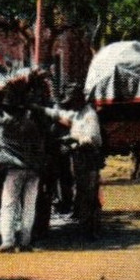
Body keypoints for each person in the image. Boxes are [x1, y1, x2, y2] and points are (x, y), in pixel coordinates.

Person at [0, 72, 56, 252]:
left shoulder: (3, 123)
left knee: (9, 204)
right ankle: (25, 242)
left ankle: (8, 241)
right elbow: (48, 125)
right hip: (34, 169)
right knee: (29, 205)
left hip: (14, 170)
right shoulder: (33, 124)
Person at [57, 90, 104, 238]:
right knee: (82, 191)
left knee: (89, 192)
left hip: (89, 156)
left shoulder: (89, 115)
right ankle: (86, 226)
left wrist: (72, 143)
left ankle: (92, 229)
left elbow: (91, 138)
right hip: (79, 157)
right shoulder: (78, 114)